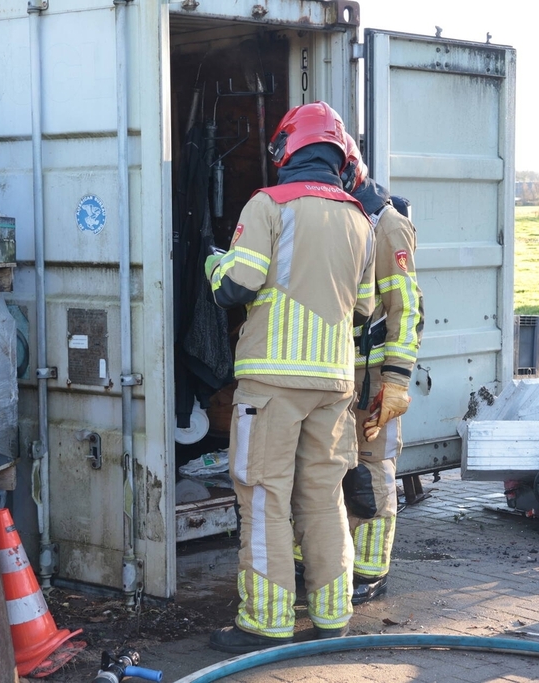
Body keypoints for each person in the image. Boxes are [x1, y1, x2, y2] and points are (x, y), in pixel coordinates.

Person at [203, 101, 375, 654]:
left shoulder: (268, 204)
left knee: (263, 496)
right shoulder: (360, 218)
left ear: (287, 149)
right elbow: (364, 308)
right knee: (323, 496)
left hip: (272, 381)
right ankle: (333, 615)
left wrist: (214, 263)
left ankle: (266, 621)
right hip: (335, 383)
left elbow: (238, 284)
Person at [345, 163, 425, 605]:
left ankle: (371, 571)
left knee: (373, 469)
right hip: (338, 376)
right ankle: (317, 561)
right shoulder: (341, 215)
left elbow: (406, 308)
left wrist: (395, 380)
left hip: (374, 378)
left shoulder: (388, 225)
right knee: (327, 469)